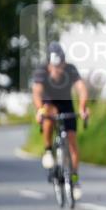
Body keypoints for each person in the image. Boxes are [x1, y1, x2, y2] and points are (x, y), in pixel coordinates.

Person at [32, 42, 90, 200]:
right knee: (49, 115)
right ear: (49, 65)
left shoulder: (70, 69)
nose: (58, 70)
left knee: (72, 145)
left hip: (67, 104)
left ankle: (75, 180)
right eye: (55, 66)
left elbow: (81, 88)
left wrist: (83, 107)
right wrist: (39, 110)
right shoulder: (41, 71)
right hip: (49, 103)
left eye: (61, 65)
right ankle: (49, 150)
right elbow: (37, 92)